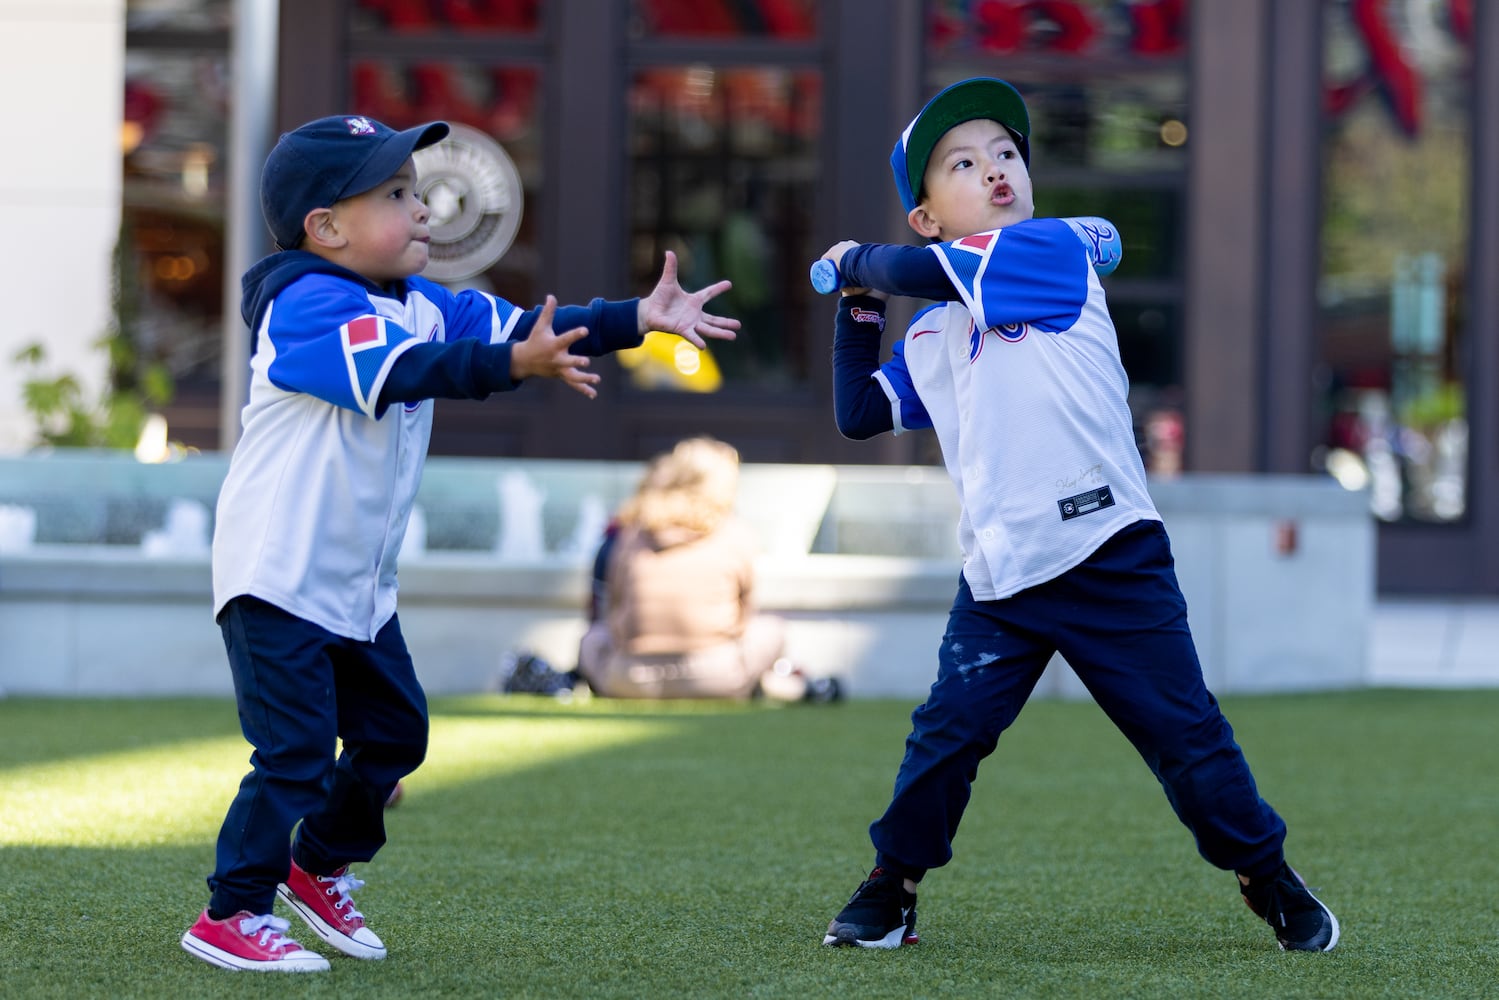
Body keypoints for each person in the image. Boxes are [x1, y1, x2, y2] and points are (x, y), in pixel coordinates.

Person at [179, 114, 739, 973]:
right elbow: (405, 370)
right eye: (395, 195)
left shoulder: (420, 299)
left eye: (414, 187)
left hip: (357, 589)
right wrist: (506, 368)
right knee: (293, 754)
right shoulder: (303, 302)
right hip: (276, 579)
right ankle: (233, 910)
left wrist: (637, 318)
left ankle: (316, 865)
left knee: (397, 736)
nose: (423, 208)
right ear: (325, 229)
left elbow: (525, 328)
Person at [816, 78, 1338, 953]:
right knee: (945, 739)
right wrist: (858, 311)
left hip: (1107, 553)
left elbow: (905, 269)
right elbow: (859, 412)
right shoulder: (934, 333)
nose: (994, 171)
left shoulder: (1049, 252)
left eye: (1007, 155)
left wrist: (858, 264)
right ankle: (890, 889)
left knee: (1185, 740)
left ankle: (1267, 875)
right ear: (926, 214)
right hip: (1000, 574)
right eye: (962, 163)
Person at [576, 435, 829, 701]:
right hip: (716, 676)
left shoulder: (633, 533)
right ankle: (770, 685)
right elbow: (744, 617)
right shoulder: (734, 532)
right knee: (771, 629)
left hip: (629, 679)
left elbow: (614, 611)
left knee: (592, 639)